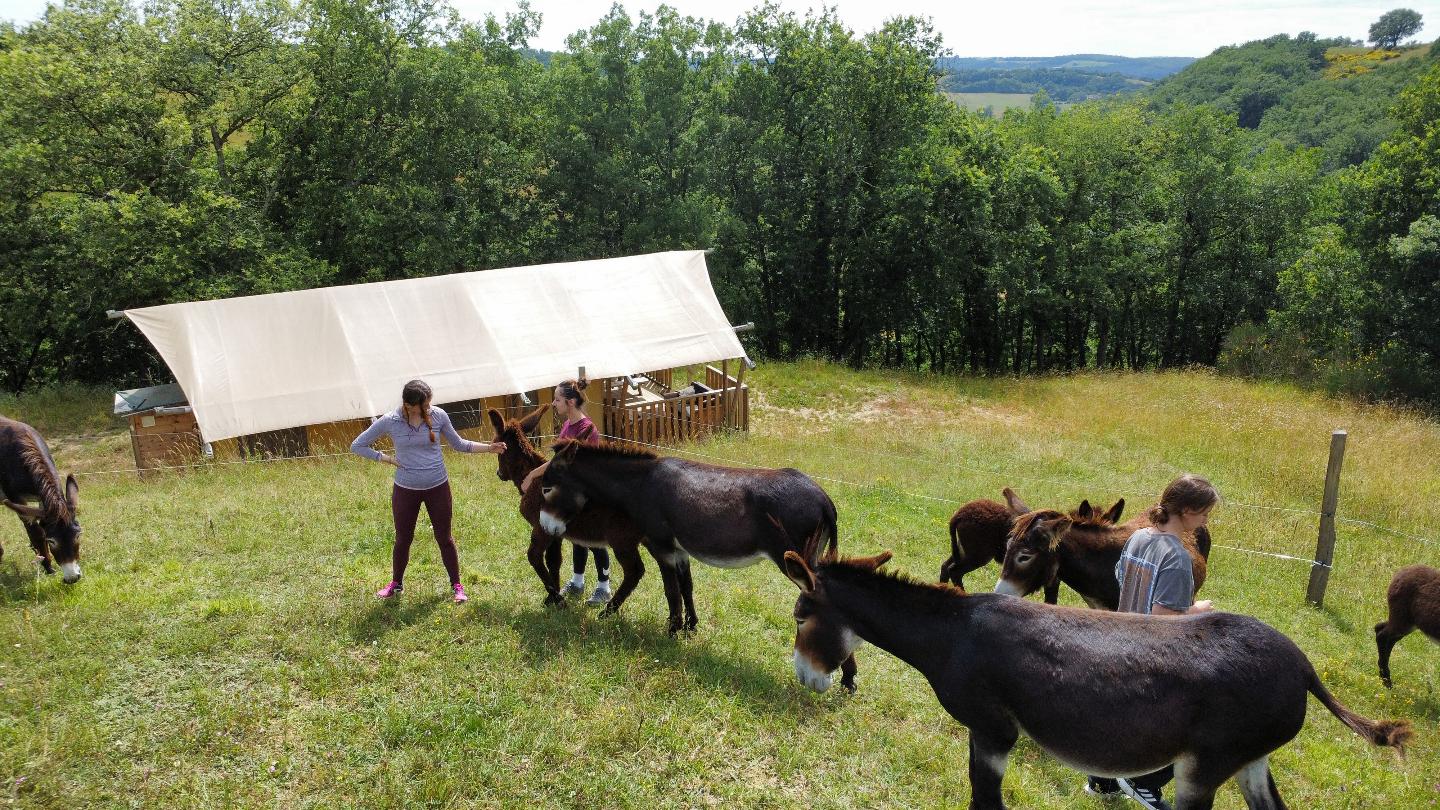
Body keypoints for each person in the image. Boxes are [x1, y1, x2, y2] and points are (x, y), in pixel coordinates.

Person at [1086, 473, 1219, 810]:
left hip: (1122, 642)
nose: (1205, 521)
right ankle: (1143, 780)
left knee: (1119, 717)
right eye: (1204, 513)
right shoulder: (1177, 558)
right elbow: (1163, 619)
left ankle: (1101, 782)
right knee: (1204, 721)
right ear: (1187, 511)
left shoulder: (1139, 538)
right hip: (1151, 656)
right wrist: (1196, 610)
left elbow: (1122, 579)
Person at [351, 379, 505, 604]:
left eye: (429, 404)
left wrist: (489, 449)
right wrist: (386, 459)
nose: (428, 409)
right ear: (409, 405)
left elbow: (459, 444)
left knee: (444, 538)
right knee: (403, 538)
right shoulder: (390, 421)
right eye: (423, 406)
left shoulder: (439, 416)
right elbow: (357, 445)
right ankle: (396, 583)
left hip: (438, 487)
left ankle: (457, 586)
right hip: (405, 489)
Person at [521, 378, 611, 606]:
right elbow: (556, 462)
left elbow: (565, 464)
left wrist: (532, 475)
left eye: (557, 399)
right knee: (575, 536)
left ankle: (604, 587)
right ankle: (578, 581)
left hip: (588, 492)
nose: (553, 403)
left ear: (570, 402)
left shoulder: (586, 428)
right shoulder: (568, 426)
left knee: (593, 539)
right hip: (570, 493)